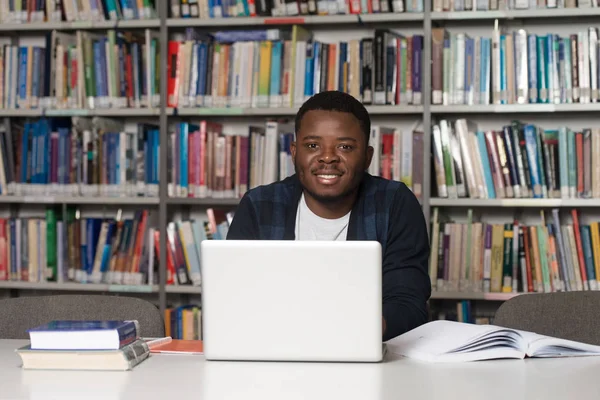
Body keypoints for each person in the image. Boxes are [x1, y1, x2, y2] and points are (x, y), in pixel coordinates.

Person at [226, 90, 431, 341]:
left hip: (367, 358)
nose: (327, 157)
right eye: (313, 145)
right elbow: (234, 302)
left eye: (345, 146)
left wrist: (354, 331)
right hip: (275, 354)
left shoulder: (395, 203)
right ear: (294, 152)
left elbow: (408, 303)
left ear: (367, 157)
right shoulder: (259, 206)